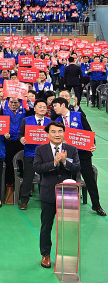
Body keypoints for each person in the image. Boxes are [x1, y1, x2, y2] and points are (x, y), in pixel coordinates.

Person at [34, 121, 80, 268]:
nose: (57, 134)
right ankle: (46, 254)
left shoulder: (72, 149)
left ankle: (66, 255)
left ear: (64, 133)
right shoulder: (40, 150)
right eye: (53, 131)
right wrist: (54, 163)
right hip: (49, 193)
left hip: (68, 195)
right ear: (48, 134)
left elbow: (77, 169)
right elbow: (38, 168)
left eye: (60, 131)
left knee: (69, 226)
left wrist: (65, 162)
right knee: (46, 226)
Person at [52, 97, 105, 215]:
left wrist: (93, 145)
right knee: (68, 179)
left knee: (89, 179)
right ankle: (68, 206)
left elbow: (89, 132)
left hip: (83, 154)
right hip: (67, 155)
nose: (54, 108)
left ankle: (97, 205)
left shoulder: (79, 116)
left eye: (55, 106)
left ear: (63, 105)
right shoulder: (57, 120)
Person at [18, 99, 51, 210]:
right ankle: (24, 201)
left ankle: (45, 200)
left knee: (45, 178)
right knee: (28, 178)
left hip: (45, 154)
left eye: (44, 107)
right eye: (40, 107)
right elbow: (21, 134)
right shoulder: (26, 120)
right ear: (35, 108)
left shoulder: (49, 122)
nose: (42, 109)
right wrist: (22, 139)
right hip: (30, 153)